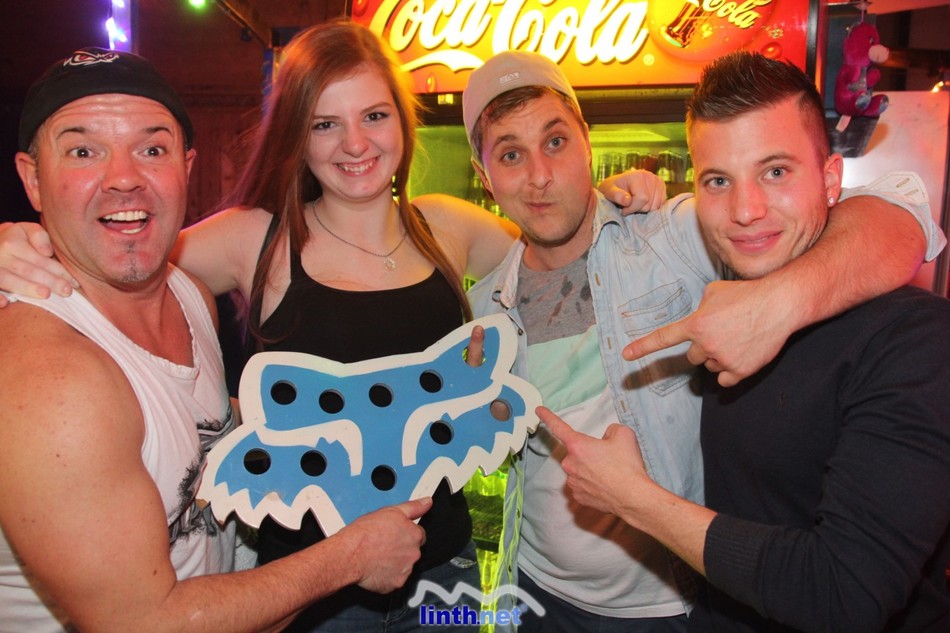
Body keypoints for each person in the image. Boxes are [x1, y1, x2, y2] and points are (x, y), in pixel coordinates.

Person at [462, 50, 943, 632]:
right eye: (511, 155)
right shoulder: (483, 311)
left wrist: (777, 304)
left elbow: (904, 206)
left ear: (588, 141)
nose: (540, 175)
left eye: (556, 142)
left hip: (672, 601)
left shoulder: (674, 237)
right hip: (539, 592)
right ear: (484, 174)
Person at [0, 46, 430, 633]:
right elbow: (142, 623)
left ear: (187, 166)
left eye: (152, 149)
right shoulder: (53, 379)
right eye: (83, 151)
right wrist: (351, 555)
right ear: (32, 178)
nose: (124, 177)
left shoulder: (186, 295)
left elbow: (190, 428)